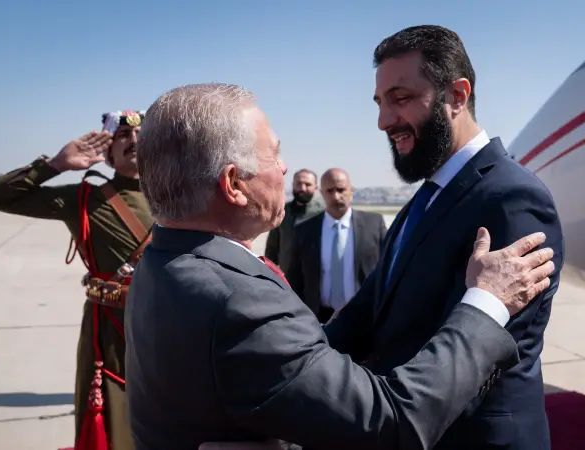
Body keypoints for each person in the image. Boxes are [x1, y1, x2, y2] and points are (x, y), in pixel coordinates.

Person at [126, 83, 556, 450]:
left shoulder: (163, 262)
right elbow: (393, 422)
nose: (284, 168)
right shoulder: (238, 301)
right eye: (274, 155)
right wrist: (486, 303)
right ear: (234, 185)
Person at [324, 25, 565, 450]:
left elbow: (479, 353)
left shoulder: (512, 198)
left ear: (457, 95)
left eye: (401, 98)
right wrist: (291, 362)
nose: (383, 121)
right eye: (380, 103)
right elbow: (368, 313)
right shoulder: (424, 202)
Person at [0, 110, 152, 450]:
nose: (133, 140)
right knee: (116, 432)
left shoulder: (181, 197)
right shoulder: (83, 199)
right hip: (110, 336)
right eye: (122, 136)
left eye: (141, 135)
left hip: (168, 331)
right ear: (108, 153)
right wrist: (55, 166)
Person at [286, 168, 386, 322]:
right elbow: (295, 279)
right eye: (330, 190)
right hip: (319, 319)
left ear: (351, 190)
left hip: (365, 316)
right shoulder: (304, 231)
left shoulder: (373, 224)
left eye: (341, 190)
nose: (336, 196)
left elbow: (387, 269)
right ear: (321, 192)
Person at [264, 168, 323, 273]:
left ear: (316, 187)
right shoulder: (283, 212)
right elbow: (272, 247)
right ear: (293, 185)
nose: (302, 188)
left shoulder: (323, 213)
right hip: (288, 278)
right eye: (298, 184)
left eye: (308, 184)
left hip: (316, 278)